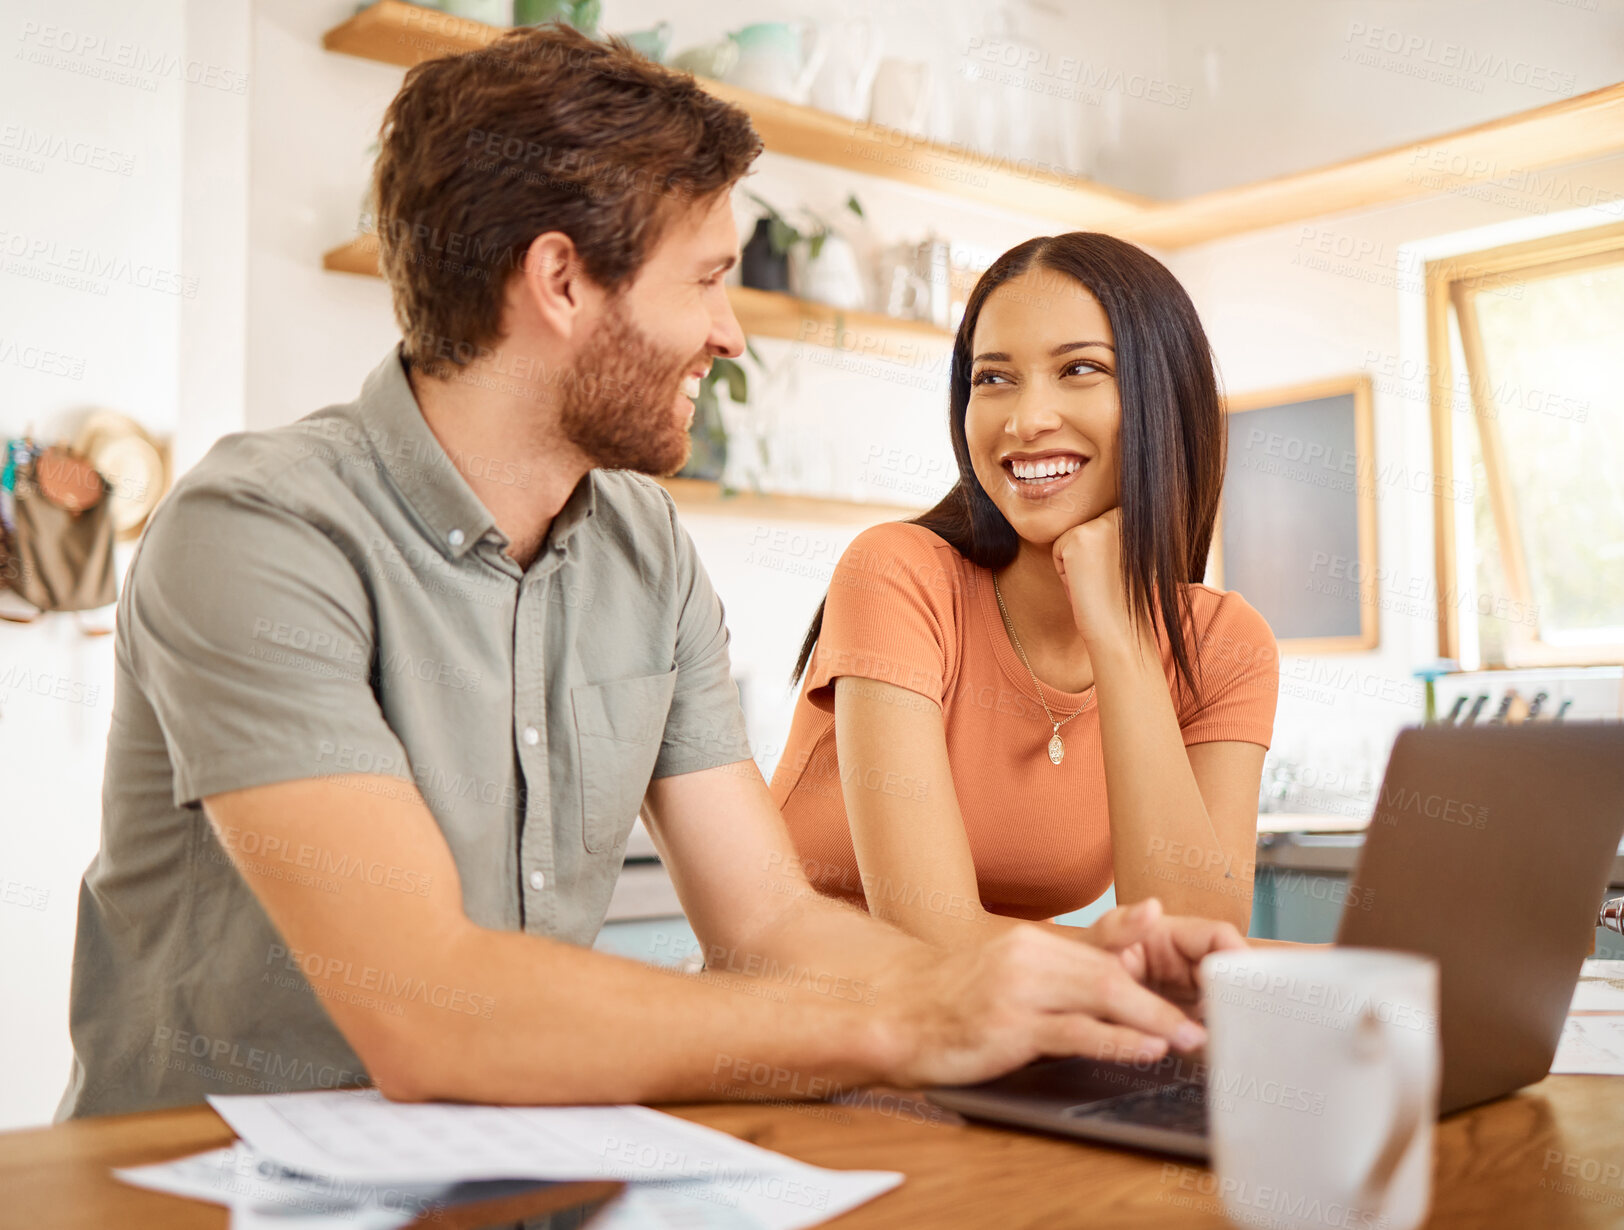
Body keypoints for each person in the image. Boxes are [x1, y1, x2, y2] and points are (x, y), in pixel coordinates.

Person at [56, 27, 1246, 1121]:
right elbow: (428, 1008)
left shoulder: (644, 550)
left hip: (521, 1173)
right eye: (706, 278)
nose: (733, 336)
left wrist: (1056, 980)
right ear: (563, 282)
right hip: (209, 1187)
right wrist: (917, 1013)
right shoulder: (258, 534)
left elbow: (773, 923)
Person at [772, 232, 1280, 946]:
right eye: (993, 378)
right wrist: (1116, 955)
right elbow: (929, 935)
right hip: (803, 1034)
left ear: (1166, 395)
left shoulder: (1226, 645)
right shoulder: (897, 574)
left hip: (1004, 1039)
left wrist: (1121, 638)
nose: (1026, 419)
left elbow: (1195, 942)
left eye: (1078, 369)